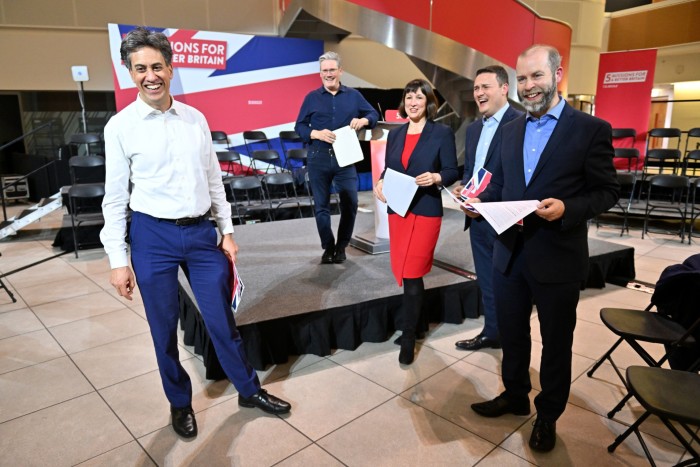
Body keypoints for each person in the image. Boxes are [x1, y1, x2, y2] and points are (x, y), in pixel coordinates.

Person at [100, 27, 290, 440]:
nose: (150, 76)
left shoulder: (195, 119)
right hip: (152, 238)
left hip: (202, 234)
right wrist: (118, 261)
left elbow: (214, 180)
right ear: (130, 73)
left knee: (222, 320)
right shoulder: (120, 127)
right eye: (140, 69)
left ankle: (248, 389)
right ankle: (180, 402)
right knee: (163, 329)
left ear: (170, 68)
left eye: (156, 66)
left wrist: (226, 230)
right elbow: (114, 199)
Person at [467, 45, 619, 452]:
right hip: (510, 252)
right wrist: (483, 204)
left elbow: (607, 191)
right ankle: (515, 395)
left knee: (556, 344)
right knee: (513, 334)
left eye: (536, 76)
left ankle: (548, 414)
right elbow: (501, 185)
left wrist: (570, 208)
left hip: (558, 257)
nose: (528, 86)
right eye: (522, 78)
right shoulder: (511, 128)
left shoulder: (591, 129)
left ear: (557, 74)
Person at [373, 79, 458, 365]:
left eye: (418, 97)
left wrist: (436, 178)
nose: (412, 102)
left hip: (425, 211)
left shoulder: (442, 133)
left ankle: (408, 336)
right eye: (408, 97)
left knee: (412, 272)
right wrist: (380, 183)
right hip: (399, 209)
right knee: (404, 269)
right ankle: (418, 325)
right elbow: (388, 168)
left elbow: (451, 170)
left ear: (428, 102)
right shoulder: (395, 135)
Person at [452, 66, 523, 351]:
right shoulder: (473, 129)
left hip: (505, 218)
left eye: (486, 87)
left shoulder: (520, 124)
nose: (479, 93)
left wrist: (486, 201)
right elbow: (472, 171)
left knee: (510, 284)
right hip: (476, 217)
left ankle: (514, 339)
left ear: (504, 88)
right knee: (487, 281)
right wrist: (463, 188)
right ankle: (493, 332)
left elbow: (516, 177)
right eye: (476, 88)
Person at [295, 51, 379, 264]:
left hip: (346, 158)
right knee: (321, 206)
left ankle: (342, 246)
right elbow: (300, 126)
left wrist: (364, 121)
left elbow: (373, 114)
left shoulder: (353, 96)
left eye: (332, 70)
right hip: (318, 157)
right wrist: (316, 133)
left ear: (340, 71)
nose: (328, 74)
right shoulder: (311, 98)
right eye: (325, 71)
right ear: (320, 73)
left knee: (350, 203)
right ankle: (328, 246)